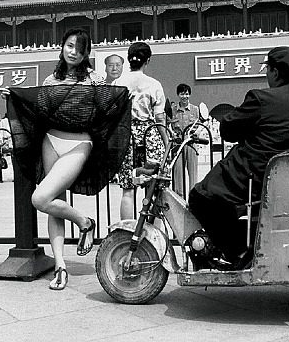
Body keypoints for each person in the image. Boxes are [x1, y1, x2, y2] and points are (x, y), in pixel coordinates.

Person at [188, 46, 289, 268]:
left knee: (200, 198)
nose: (266, 74)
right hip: (283, 178)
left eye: (268, 69)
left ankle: (237, 251)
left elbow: (228, 130)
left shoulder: (262, 99)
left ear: (275, 72)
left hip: (250, 176)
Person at [22, 28, 105, 290]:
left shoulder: (95, 79)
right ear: (62, 46)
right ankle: (60, 266)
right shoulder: (50, 80)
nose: (73, 52)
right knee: (53, 202)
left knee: (40, 199)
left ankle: (84, 222)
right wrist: (14, 100)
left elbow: (108, 108)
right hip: (51, 141)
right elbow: (39, 111)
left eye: (79, 49)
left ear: (86, 53)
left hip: (79, 143)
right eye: (69, 46)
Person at [116, 41, 168, 220]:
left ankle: (127, 232)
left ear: (128, 60)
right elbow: (160, 118)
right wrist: (166, 142)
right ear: (148, 60)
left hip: (127, 137)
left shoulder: (118, 83)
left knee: (128, 189)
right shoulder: (154, 84)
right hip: (150, 136)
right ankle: (153, 233)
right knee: (154, 188)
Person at [171, 83, 200, 197]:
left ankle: (193, 198)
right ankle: (180, 198)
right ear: (178, 95)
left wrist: (196, 133)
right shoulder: (173, 110)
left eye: (187, 94)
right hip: (178, 144)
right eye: (182, 94)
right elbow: (168, 125)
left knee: (193, 173)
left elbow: (200, 125)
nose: (184, 96)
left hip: (191, 144)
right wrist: (173, 134)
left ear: (190, 95)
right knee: (178, 173)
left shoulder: (195, 109)